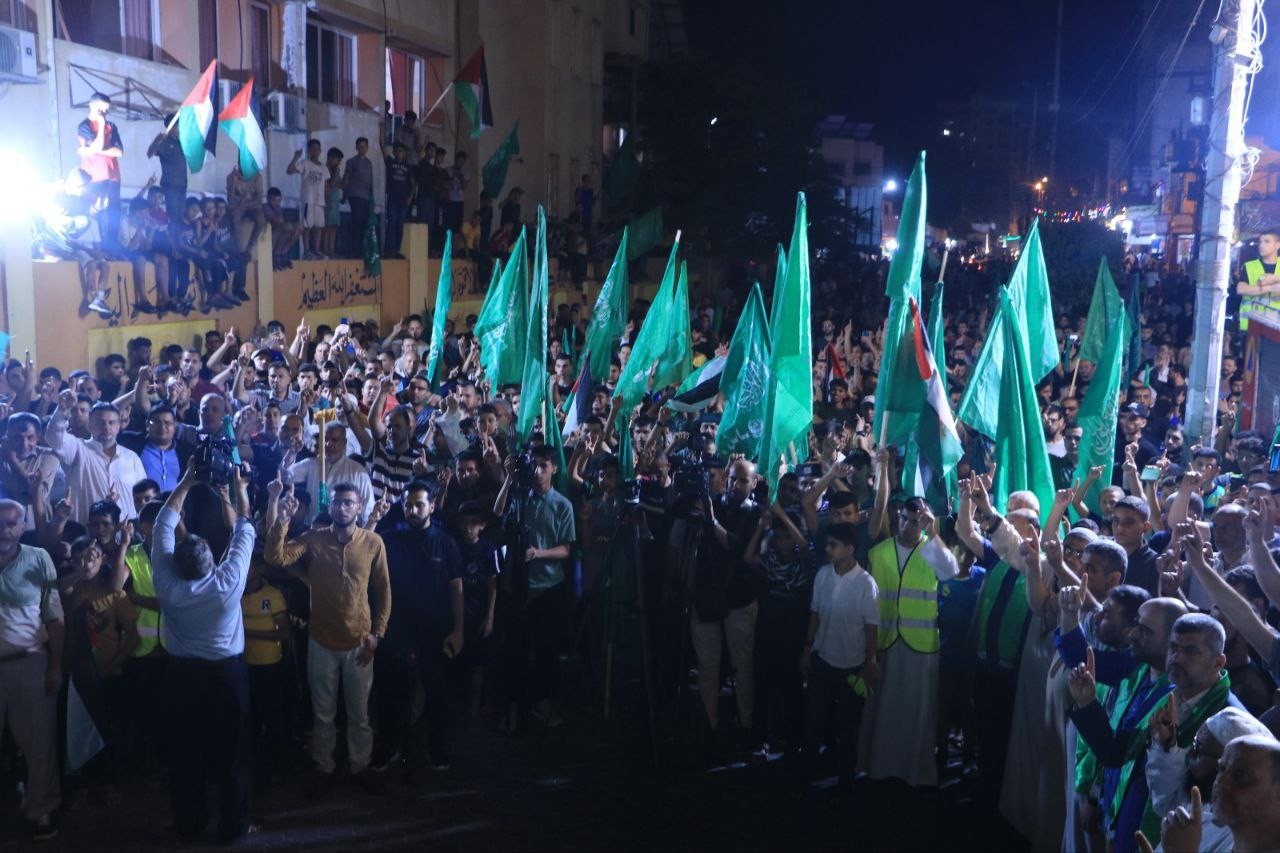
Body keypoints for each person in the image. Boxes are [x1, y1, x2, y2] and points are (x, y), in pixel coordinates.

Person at [265, 479, 391, 796]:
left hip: (360, 642)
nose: (342, 507)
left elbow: (383, 591)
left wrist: (377, 634)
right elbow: (275, 558)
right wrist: (282, 519)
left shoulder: (373, 542)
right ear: (330, 506)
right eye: (337, 502)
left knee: (360, 715)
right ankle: (324, 766)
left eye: (348, 502)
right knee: (323, 714)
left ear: (360, 506)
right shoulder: (314, 538)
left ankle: (360, 766)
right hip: (321, 641)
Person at [150, 465, 255, 842]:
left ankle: (190, 824)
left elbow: (163, 524)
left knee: (185, 755)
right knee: (231, 755)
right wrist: (238, 488)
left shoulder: (167, 586)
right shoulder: (226, 585)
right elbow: (245, 526)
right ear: (213, 562)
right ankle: (233, 826)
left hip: (181, 678)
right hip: (225, 677)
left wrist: (188, 480)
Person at [858, 468, 957, 788]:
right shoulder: (878, 552)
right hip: (885, 642)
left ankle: (916, 773)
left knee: (917, 713)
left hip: (921, 644)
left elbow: (950, 571)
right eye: (903, 518)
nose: (908, 525)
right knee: (882, 712)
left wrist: (934, 533)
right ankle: (877, 768)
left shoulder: (932, 549)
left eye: (916, 521)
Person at [371, 480, 464, 775]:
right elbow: (361, 547)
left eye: (419, 505)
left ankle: (436, 749)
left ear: (432, 506)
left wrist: (459, 630)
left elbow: (456, 589)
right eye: (408, 505)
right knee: (391, 695)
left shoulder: (446, 543)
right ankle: (388, 747)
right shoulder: (388, 541)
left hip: (435, 632)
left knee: (437, 695)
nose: (412, 510)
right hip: (395, 632)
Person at [794, 522, 878, 804]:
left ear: (850, 549)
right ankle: (805, 777)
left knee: (848, 727)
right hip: (823, 660)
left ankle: (846, 783)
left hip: (852, 665)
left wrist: (870, 661)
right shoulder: (822, 575)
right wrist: (807, 649)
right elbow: (814, 613)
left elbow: (871, 627)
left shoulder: (867, 583)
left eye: (833, 545)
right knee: (813, 723)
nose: (827, 549)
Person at [0, 498, 65, 841]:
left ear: (23, 525)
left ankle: (42, 810)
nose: (4, 530)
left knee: (40, 745)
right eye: (0, 522)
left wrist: (55, 666)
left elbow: (54, 616)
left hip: (30, 663)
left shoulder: (38, 558)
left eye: (12, 523)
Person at [46, 393, 147, 523]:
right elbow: (53, 437)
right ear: (89, 425)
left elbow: (144, 495)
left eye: (111, 422)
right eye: (100, 422)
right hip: (86, 534)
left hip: (127, 535)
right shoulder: (77, 449)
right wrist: (62, 410)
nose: (106, 427)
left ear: (118, 426)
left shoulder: (132, 458)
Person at [76, 92, 123, 247]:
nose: (104, 113)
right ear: (92, 106)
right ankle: (100, 248)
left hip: (113, 176)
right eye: (101, 109)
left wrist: (91, 150)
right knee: (98, 213)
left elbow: (119, 152)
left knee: (114, 214)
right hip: (94, 177)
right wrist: (101, 126)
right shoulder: (84, 126)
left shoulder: (112, 126)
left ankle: (113, 248)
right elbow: (97, 145)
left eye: (106, 110)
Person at [288, 140, 329, 259]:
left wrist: (328, 200)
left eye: (317, 148)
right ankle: (307, 251)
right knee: (307, 226)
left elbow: (326, 185)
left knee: (319, 226)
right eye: (313, 148)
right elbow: (289, 171)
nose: (315, 151)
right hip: (308, 200)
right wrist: (295, 158)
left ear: (320, 150)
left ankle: (316, 251)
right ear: (309, 150)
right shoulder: (304, 163)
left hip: (320, 201)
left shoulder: (324, 168)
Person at [1237, 227, 1280, 331]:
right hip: (1251, 325)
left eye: (1267, 242)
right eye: (1260, 242)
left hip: (1276, 327)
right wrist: (1271, 287)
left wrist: (1275, 278)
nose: (1261, 245)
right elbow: (1241, 289)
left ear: (1277, 245)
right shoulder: (1249, 266)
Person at [342, 137, 374, 258]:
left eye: (364, 147)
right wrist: (344, 196)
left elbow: (370, 182)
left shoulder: (369, 163)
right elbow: (346, 179)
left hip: (366, 197)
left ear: (367, 148)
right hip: (355, 195)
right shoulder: (351, 162)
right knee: (357, 223)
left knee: (364, 224)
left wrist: (372, 199)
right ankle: (354, 251)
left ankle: (362, 250)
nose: (362, 149)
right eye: (360, 147)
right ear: (356, 148)